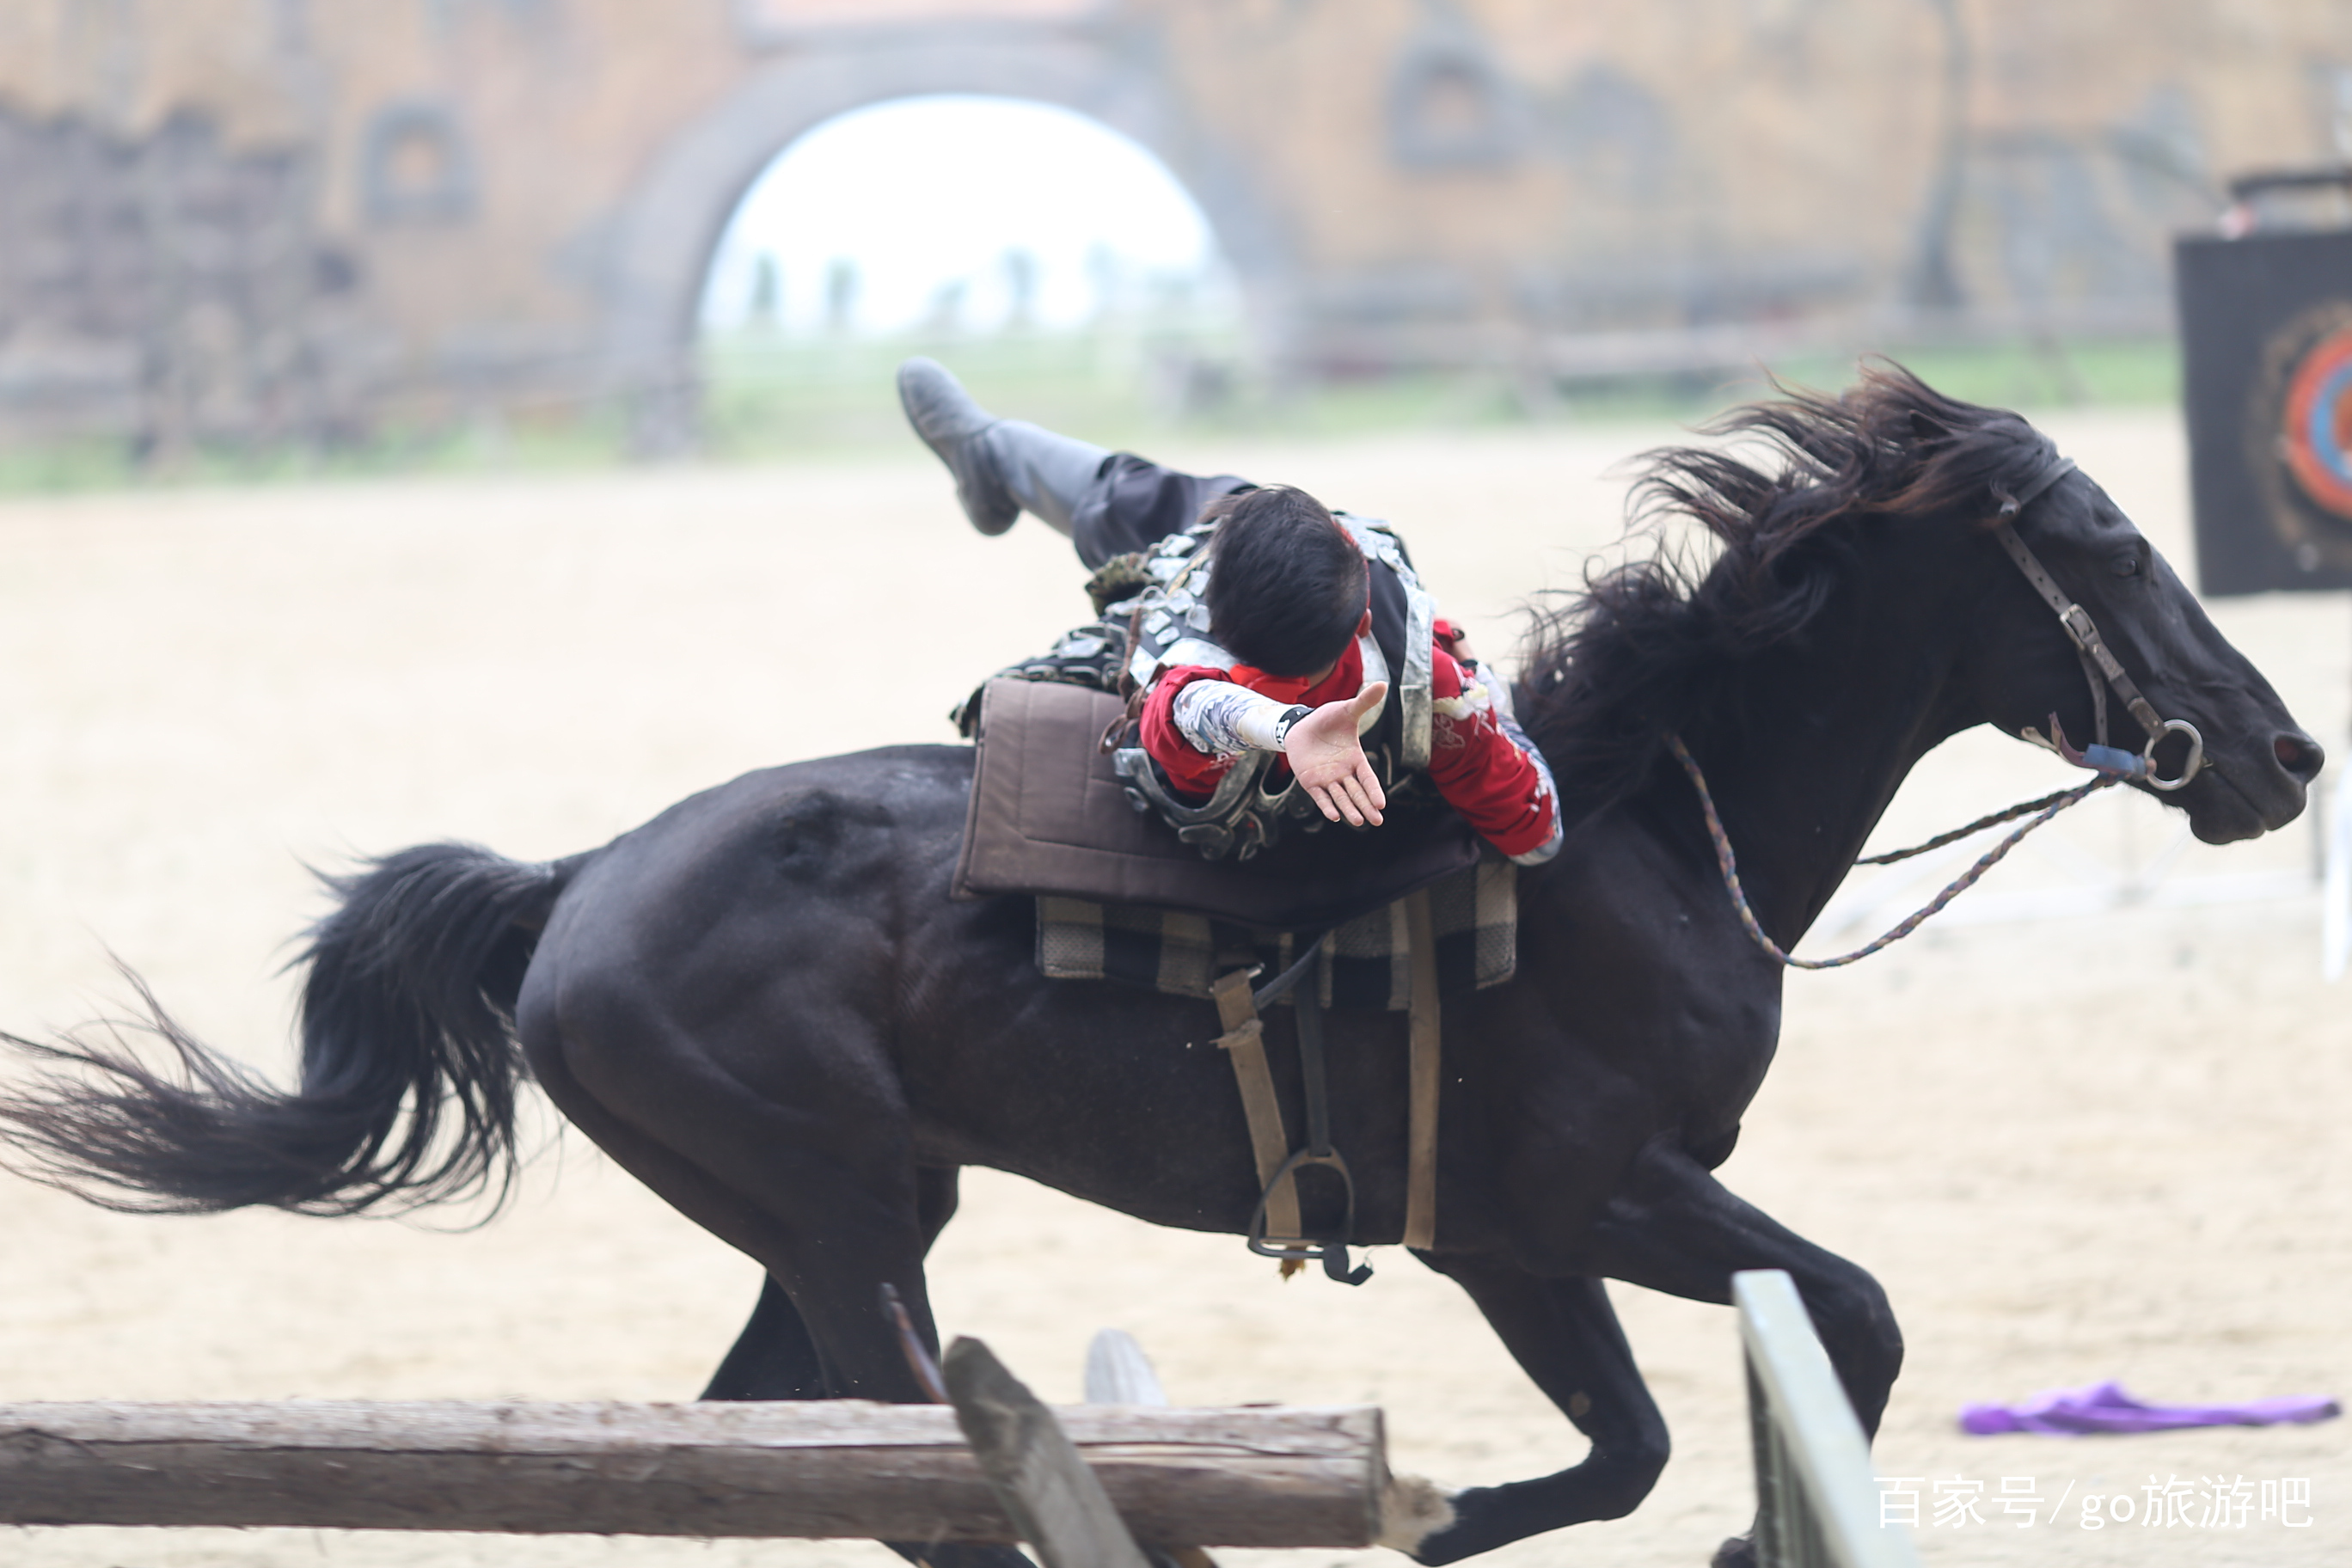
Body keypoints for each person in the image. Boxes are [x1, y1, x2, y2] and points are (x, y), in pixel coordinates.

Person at [900, 358, 1562, 867]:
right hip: (1345, 679)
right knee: (1183, 502)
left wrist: (1286, 729)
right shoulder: (1436, 689)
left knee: (1153, 499)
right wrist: (1487, 696)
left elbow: (1199, 708)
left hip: (1214, 610)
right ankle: (993, 460)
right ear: (1361, 616)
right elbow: (1538, 834)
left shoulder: (1186, 681)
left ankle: (994, 453)